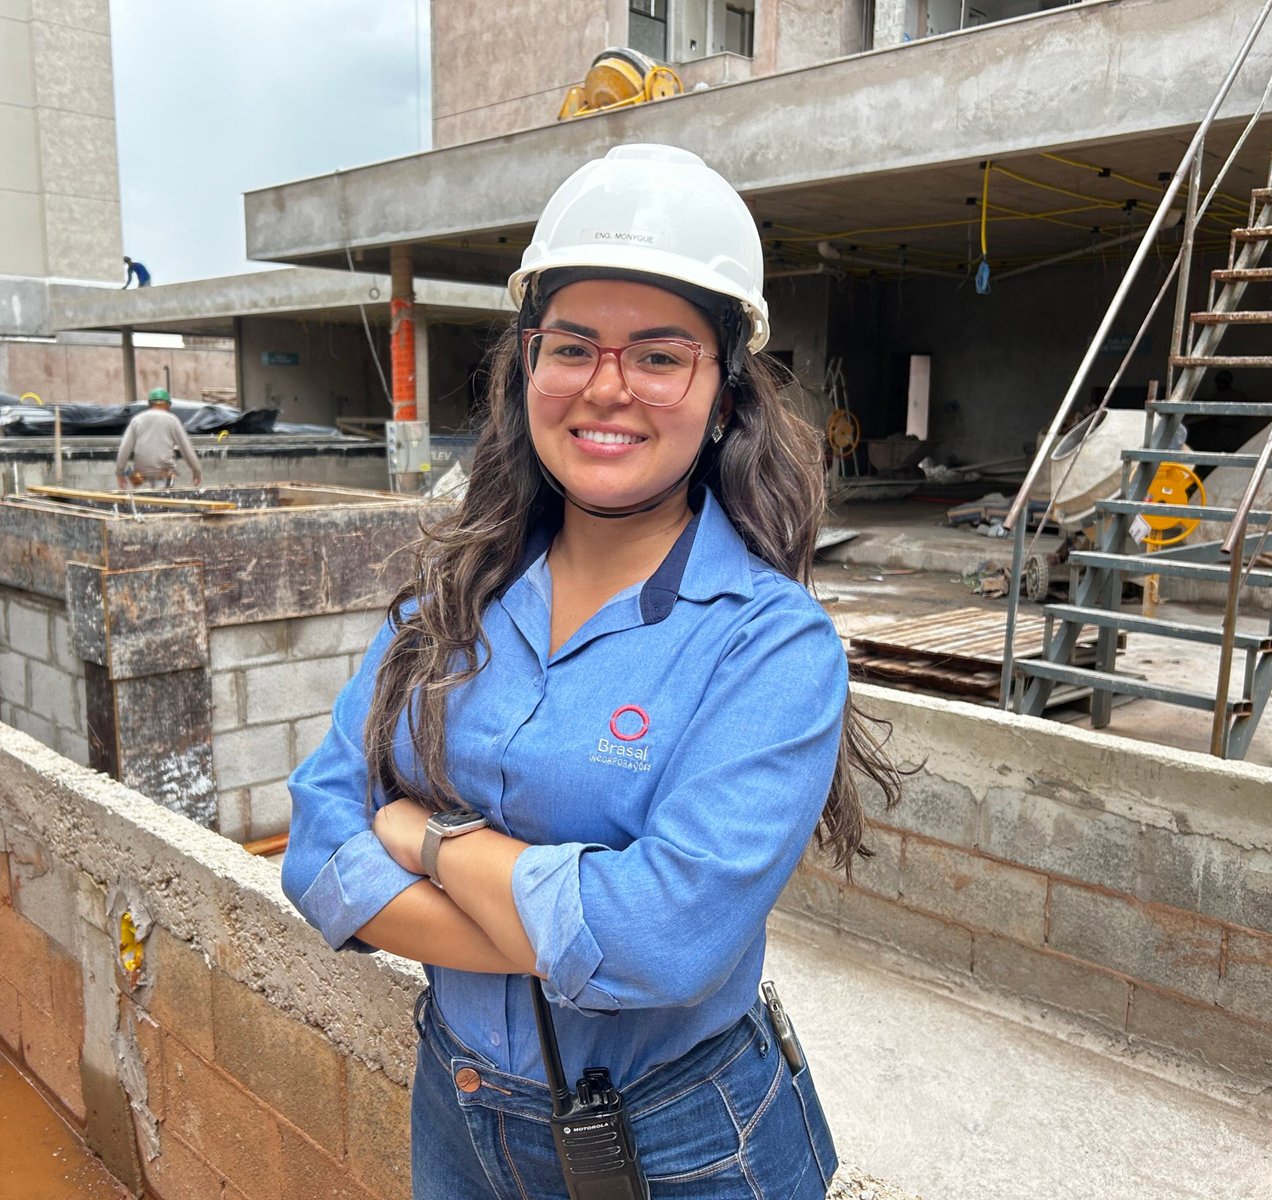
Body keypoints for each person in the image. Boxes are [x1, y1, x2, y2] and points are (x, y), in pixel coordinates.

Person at [282, 143, 900, 1200]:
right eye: (573, 347)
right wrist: (559, 921)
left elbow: (661, 943)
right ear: (528, 365)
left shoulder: (770, 643)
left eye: (659, 356)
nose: (606, 388)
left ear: (722, 394)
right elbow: (314, 849)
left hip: (685, 1141)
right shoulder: (450, 599)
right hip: (460, 1107)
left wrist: (426, 837)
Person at [114, 387, 202, 489]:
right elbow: (186, 448)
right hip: (164, 476)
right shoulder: (172, 420)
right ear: (168, 404)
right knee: (162, 502)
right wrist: (196, 471)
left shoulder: (137, 420)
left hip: (140, 477)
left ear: (149, 404)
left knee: (142, 503)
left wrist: (119, 473)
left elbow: (124, 448)